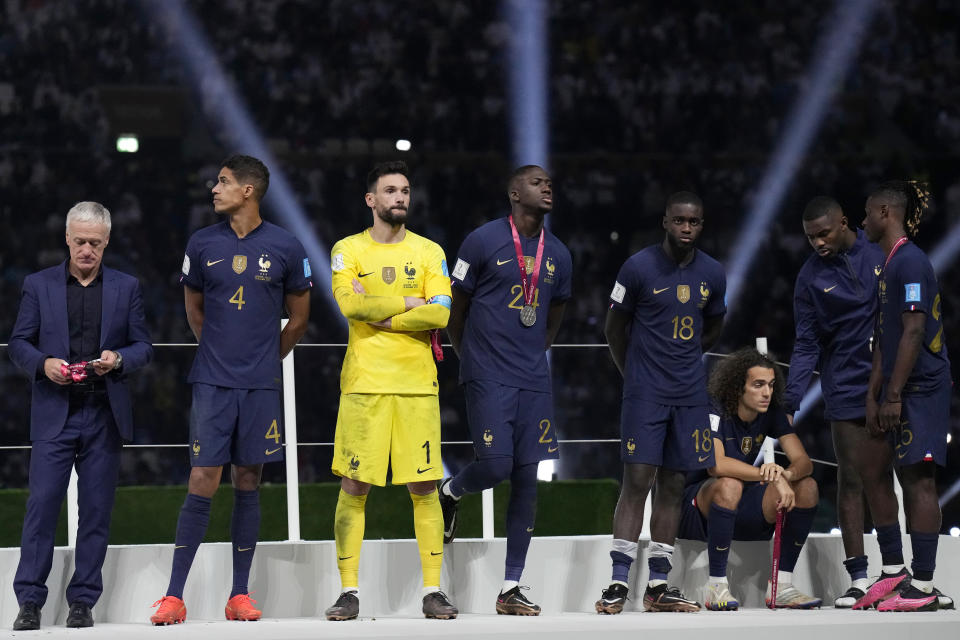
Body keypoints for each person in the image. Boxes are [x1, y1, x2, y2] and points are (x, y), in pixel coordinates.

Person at [150, 155, 312, 624]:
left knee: (249, 479)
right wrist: (221, 355)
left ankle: (239, 594)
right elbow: (193, 309)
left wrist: (263, 360)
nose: (213, 188)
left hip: (260, 384)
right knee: (203, 477)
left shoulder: (285, 246)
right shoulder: (201, 244)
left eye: (222, 182)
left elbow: (299, 319)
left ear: (248, 191)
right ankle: (174, 596)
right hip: (212, 381)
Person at [9, 201, 153, 630]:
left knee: (95, 511)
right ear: (67, 239)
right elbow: (19, 342)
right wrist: (42, 364)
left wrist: (119, 358)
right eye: (79, 241)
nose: (86, 249)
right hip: (55, 411)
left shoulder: (127, 287)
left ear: (106, 242)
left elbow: (144, 347)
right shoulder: (39, 285)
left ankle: (82, 602)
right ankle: (30, 602)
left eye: (95, 242)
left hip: (103, 412)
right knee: (41, 508)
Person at [323, 160, 457, 621]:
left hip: (418, 385)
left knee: (424, 485)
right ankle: (348, 591)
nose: (400, 197)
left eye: (404, 190)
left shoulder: (430, 251)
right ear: (371, 200)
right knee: (354, 484)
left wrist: (381, 315)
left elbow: (441, 315)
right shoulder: (348, 248)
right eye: (390, 190)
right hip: (365, 384)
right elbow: (348, 304)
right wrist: (408, 302)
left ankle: (433, 590)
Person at [440, 165, 571, 616]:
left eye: (549, 182)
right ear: (514, 192)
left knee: (526, 481)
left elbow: (554, 313)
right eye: (536, 182)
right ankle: (451, 490)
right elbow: (455, 308)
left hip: (533, 378)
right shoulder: (481, 241)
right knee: (495, 465)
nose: (546, 186)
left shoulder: (559, 253)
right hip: (487, 372)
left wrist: (535, 350)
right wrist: (470, 356)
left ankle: (511, 587)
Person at [596, 191, 725, 614]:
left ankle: (657, 586)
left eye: (695, 222)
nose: (687, 228)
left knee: (673, 483)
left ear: (701, 225)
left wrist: (686, 360)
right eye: (680, 221)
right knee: (637, 480)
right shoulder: (637, 267)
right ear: (665, 222)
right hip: (645, 393)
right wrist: (633, 374)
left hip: (689, 395)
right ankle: (617, 583)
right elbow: (615, 328)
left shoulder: (713, 272)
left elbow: (714, 325)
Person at [854, 180, 952, 612]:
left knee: (918, 480)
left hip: (921, 388)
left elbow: (914, 331)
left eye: (866, 213)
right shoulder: (888, 264)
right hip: (894, 388)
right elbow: (885, 336)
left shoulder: (910, 263)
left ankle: (926, 584)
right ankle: (894, 571)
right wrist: (874, 395)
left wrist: (894, 394)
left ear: (884, 213)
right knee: (871, 468)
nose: (862, 222)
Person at [783, 196, 886, 607]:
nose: (818, 243)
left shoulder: (881, 253)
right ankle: (859, 577)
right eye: (811, 237)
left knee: (908, 477)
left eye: (824, 233)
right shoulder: (809, 277)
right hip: (844, 386)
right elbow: (806, 342)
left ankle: (906, 573)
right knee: (851, 479)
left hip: (893, 385)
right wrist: (790, 399)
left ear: (844, 223)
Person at [677, 347, 822, 610]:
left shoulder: (771, 411)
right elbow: (716, 465)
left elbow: (804, 462)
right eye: (758, 385)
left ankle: (782, 585)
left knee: (807, 487)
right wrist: (769, 476)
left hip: (739, 499)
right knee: (729, 484)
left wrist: (785, 474)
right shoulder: (715, 406)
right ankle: (717, 587)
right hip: (695, 505)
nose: (767, 392)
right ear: (738, 387)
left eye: (770, 385)